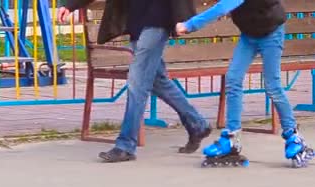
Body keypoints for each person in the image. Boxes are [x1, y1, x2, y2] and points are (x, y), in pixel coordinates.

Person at [58, 0, 212, 163]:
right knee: (156, 82)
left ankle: (125, 146)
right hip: (137, 22)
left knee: (137, 84)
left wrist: (183, 18)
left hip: (158, 21)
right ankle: (198, 125)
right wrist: (70, 6)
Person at [176, 0, 315, 168]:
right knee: (233, 80)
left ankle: (293, 136)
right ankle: (232, 137)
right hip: (249, 36)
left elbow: (223, 7)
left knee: (273, 86)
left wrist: (189, 25)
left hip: (271, 33)